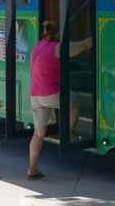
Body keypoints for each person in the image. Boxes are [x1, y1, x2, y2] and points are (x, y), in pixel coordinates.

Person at [27, 21, 92, 180]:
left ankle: (32, 169)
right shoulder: (58, 48)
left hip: (35, 95)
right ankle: (67, 134)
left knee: (38, 134)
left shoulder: (37, 46)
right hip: (51, 94)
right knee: (74, 104)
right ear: (58, 34)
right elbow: (83, 45)